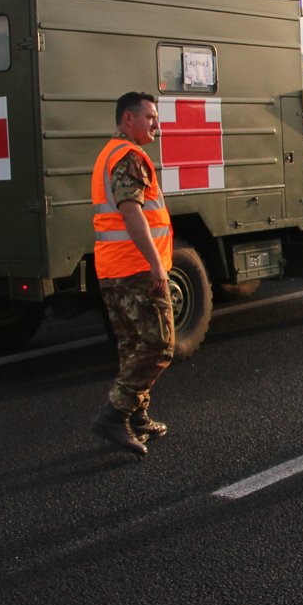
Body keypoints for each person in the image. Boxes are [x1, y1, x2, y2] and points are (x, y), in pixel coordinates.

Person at [90, 91, 175, 457]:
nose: (156, 123)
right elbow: (131, 211)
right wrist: (155, 261)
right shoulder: (128, 156)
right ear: (128, 118)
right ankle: (115, 414)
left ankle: (137, 416)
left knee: (132, 345)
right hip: (136, 268)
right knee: (159, 345)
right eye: (150, 117)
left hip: (113, 266)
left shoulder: (109, 153)